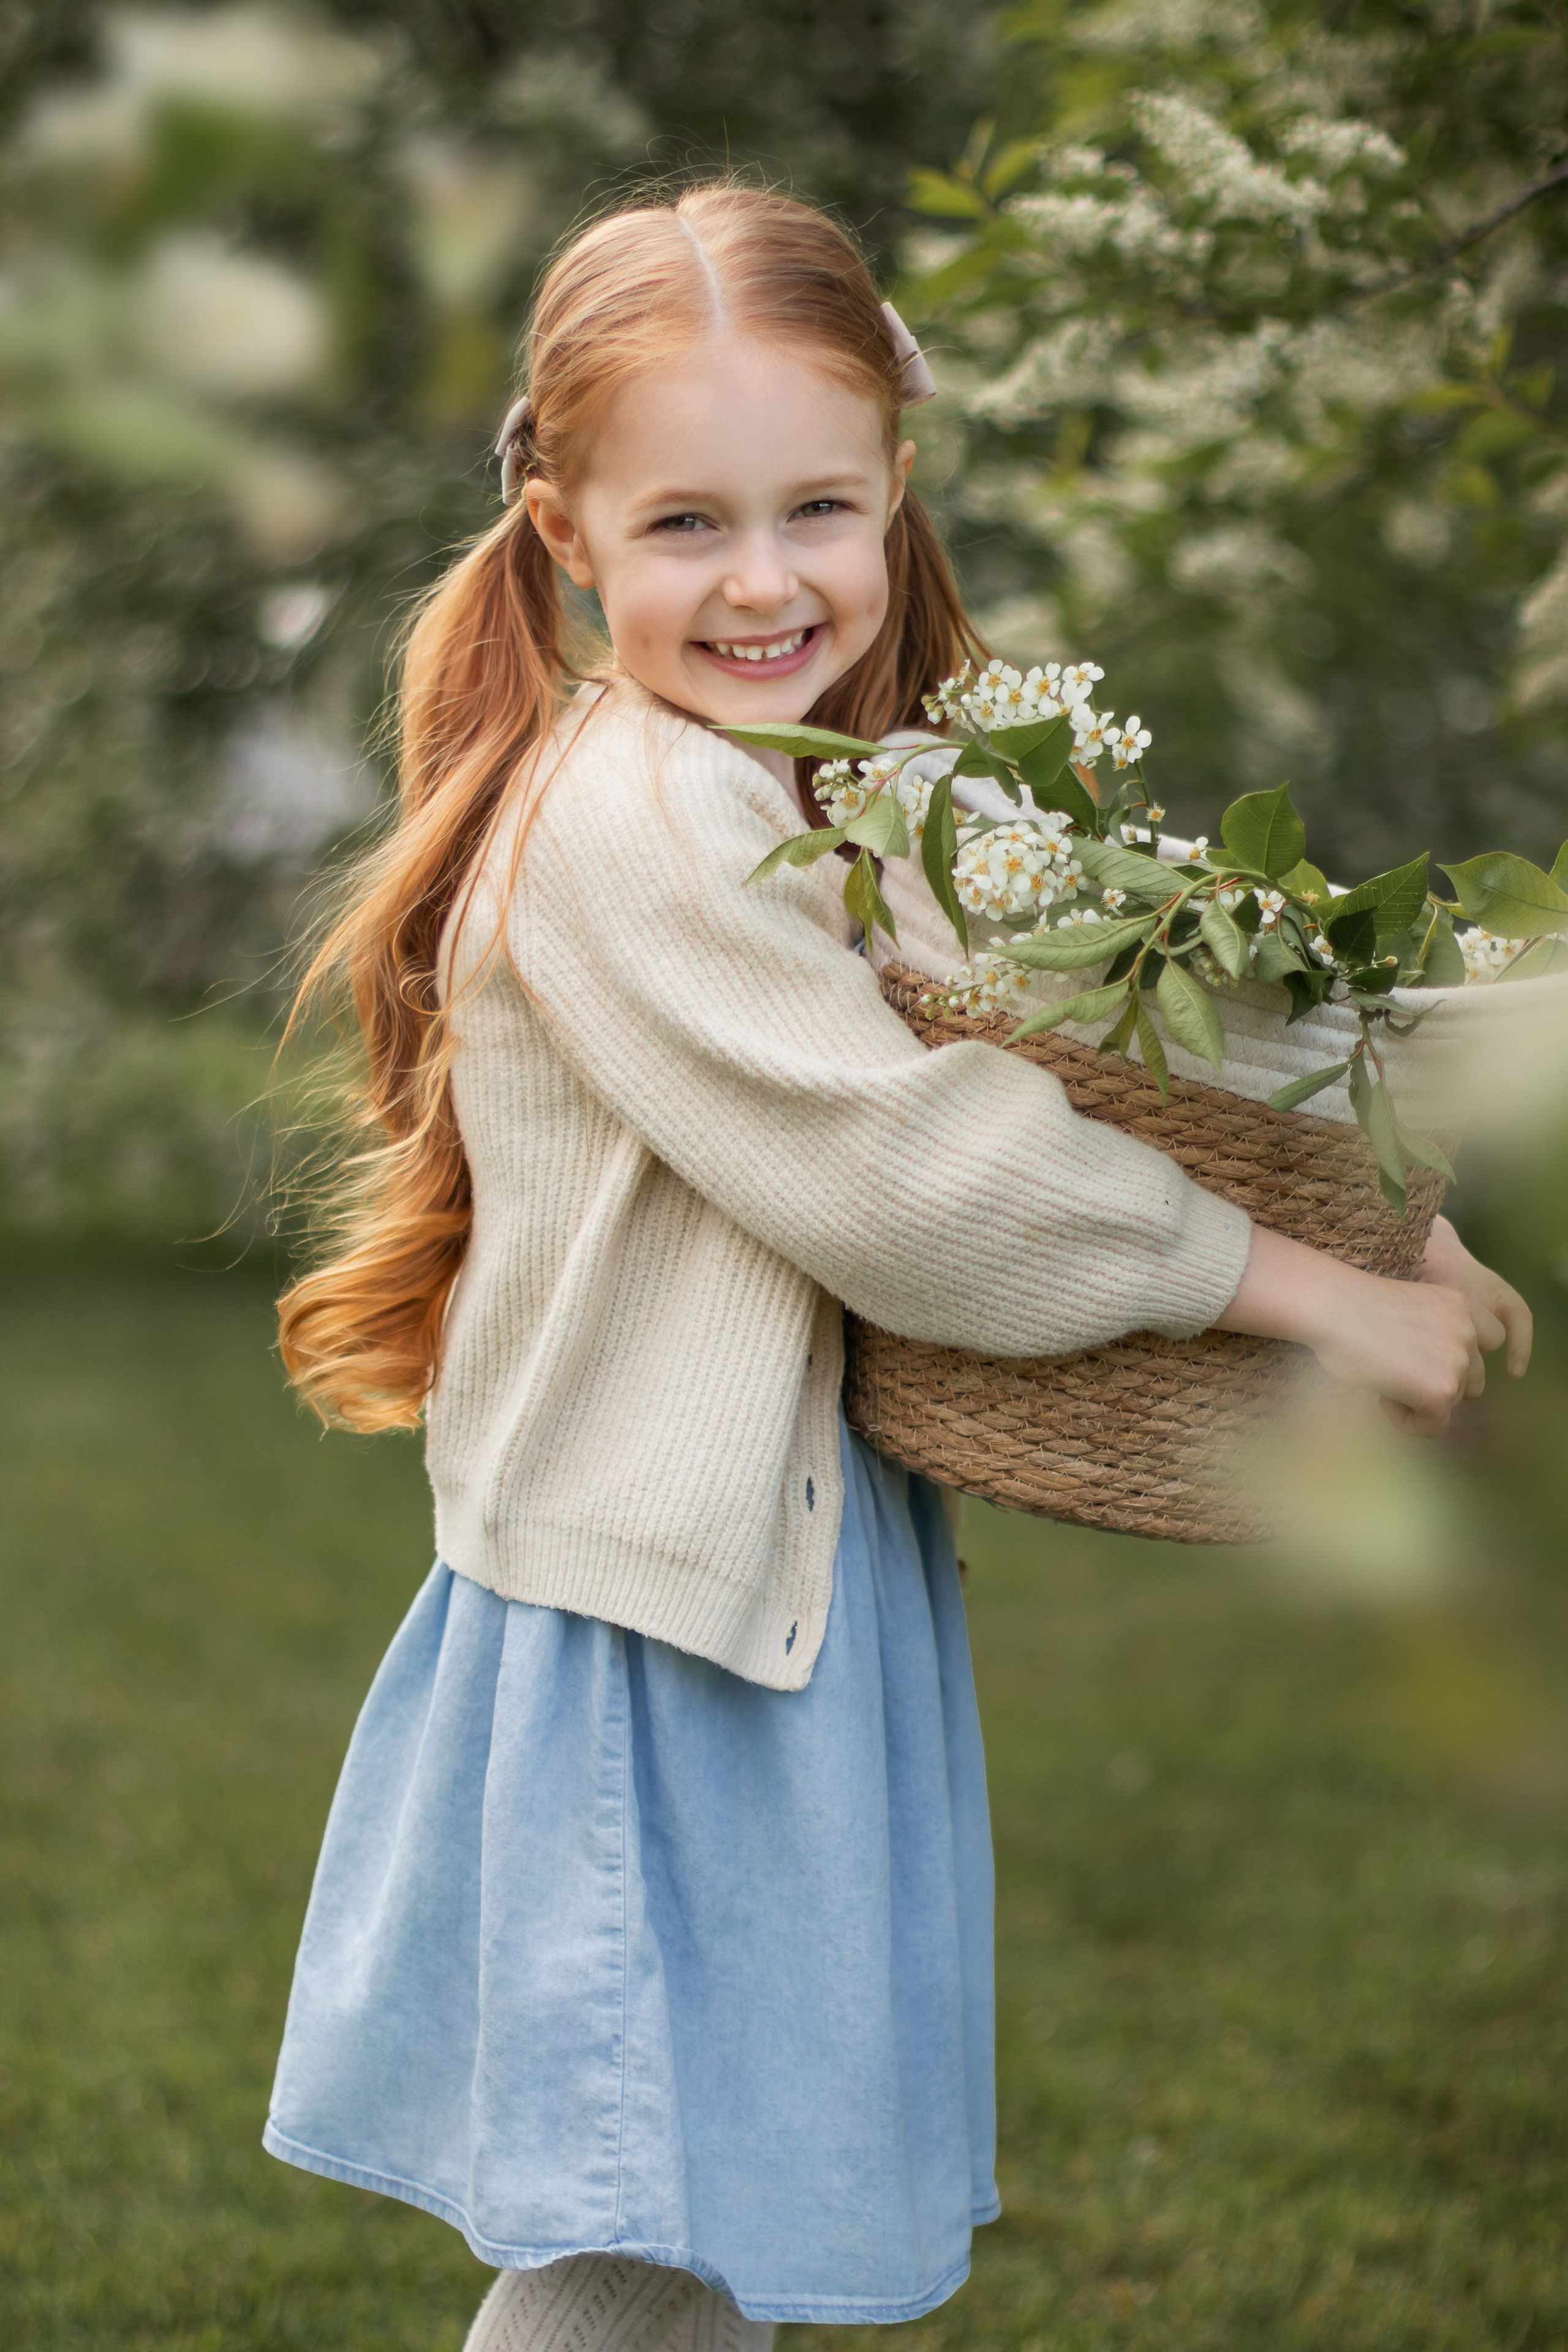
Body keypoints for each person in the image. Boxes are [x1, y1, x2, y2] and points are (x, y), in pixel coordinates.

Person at [262, 182, 1531, 2352]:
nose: (765, 583)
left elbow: (1131, 1007)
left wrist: (1405, 1192)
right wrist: (1315, 1297)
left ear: (895, 488)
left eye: (815, 509)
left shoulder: (847, 780)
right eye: (684, 528)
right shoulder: (637, 824)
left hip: (774, 1595)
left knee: (707, 2220)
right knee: (631, 2236)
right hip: (648, 1626)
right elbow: (908, 1169)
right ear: (567, 534)